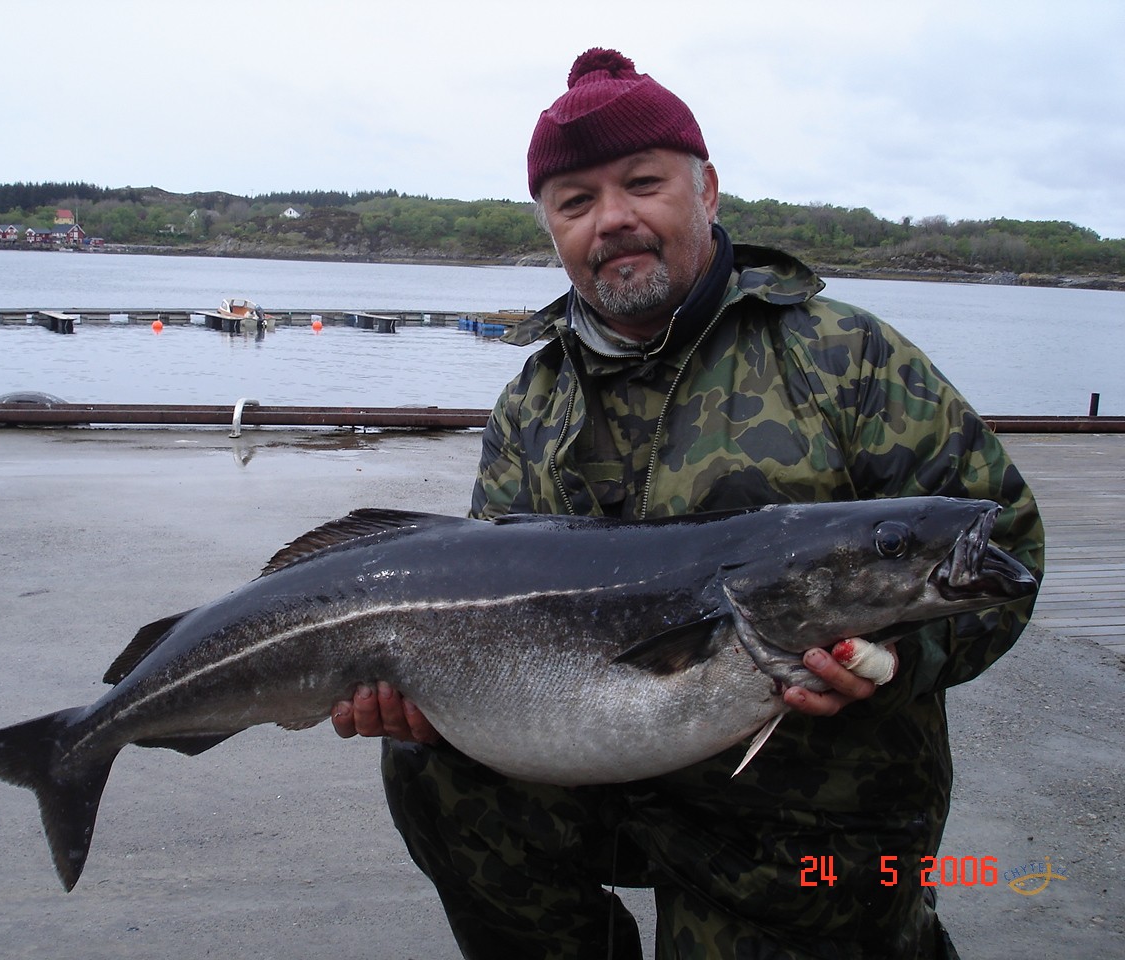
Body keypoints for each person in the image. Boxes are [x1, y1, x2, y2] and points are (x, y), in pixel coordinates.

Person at [332, 48, 1044, 959]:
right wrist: (426, 695)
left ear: (706, 190)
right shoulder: (532, 403)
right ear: (551, 227)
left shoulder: (847, 359)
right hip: (595, 762)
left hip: (813, 819)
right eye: (576, 201)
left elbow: (1008, 550)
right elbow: (479, 593)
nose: (613, 219)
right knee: (429, 769)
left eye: (642, 183)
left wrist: (896, 660)